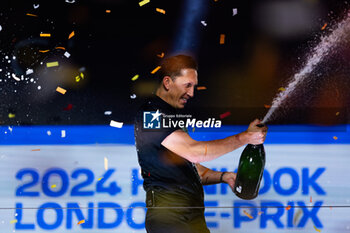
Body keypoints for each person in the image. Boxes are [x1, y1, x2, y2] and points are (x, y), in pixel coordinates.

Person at [134, 54, 267, 233]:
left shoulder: (170, 116)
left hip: (190, 217)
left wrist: (224, 176)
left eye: (194, 86)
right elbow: (194, 152)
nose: (192, 93)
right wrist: (245, 138)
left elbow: (192, 168)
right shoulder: (151, 114)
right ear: (167, 82)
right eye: (187, 85)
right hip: (169, 217)